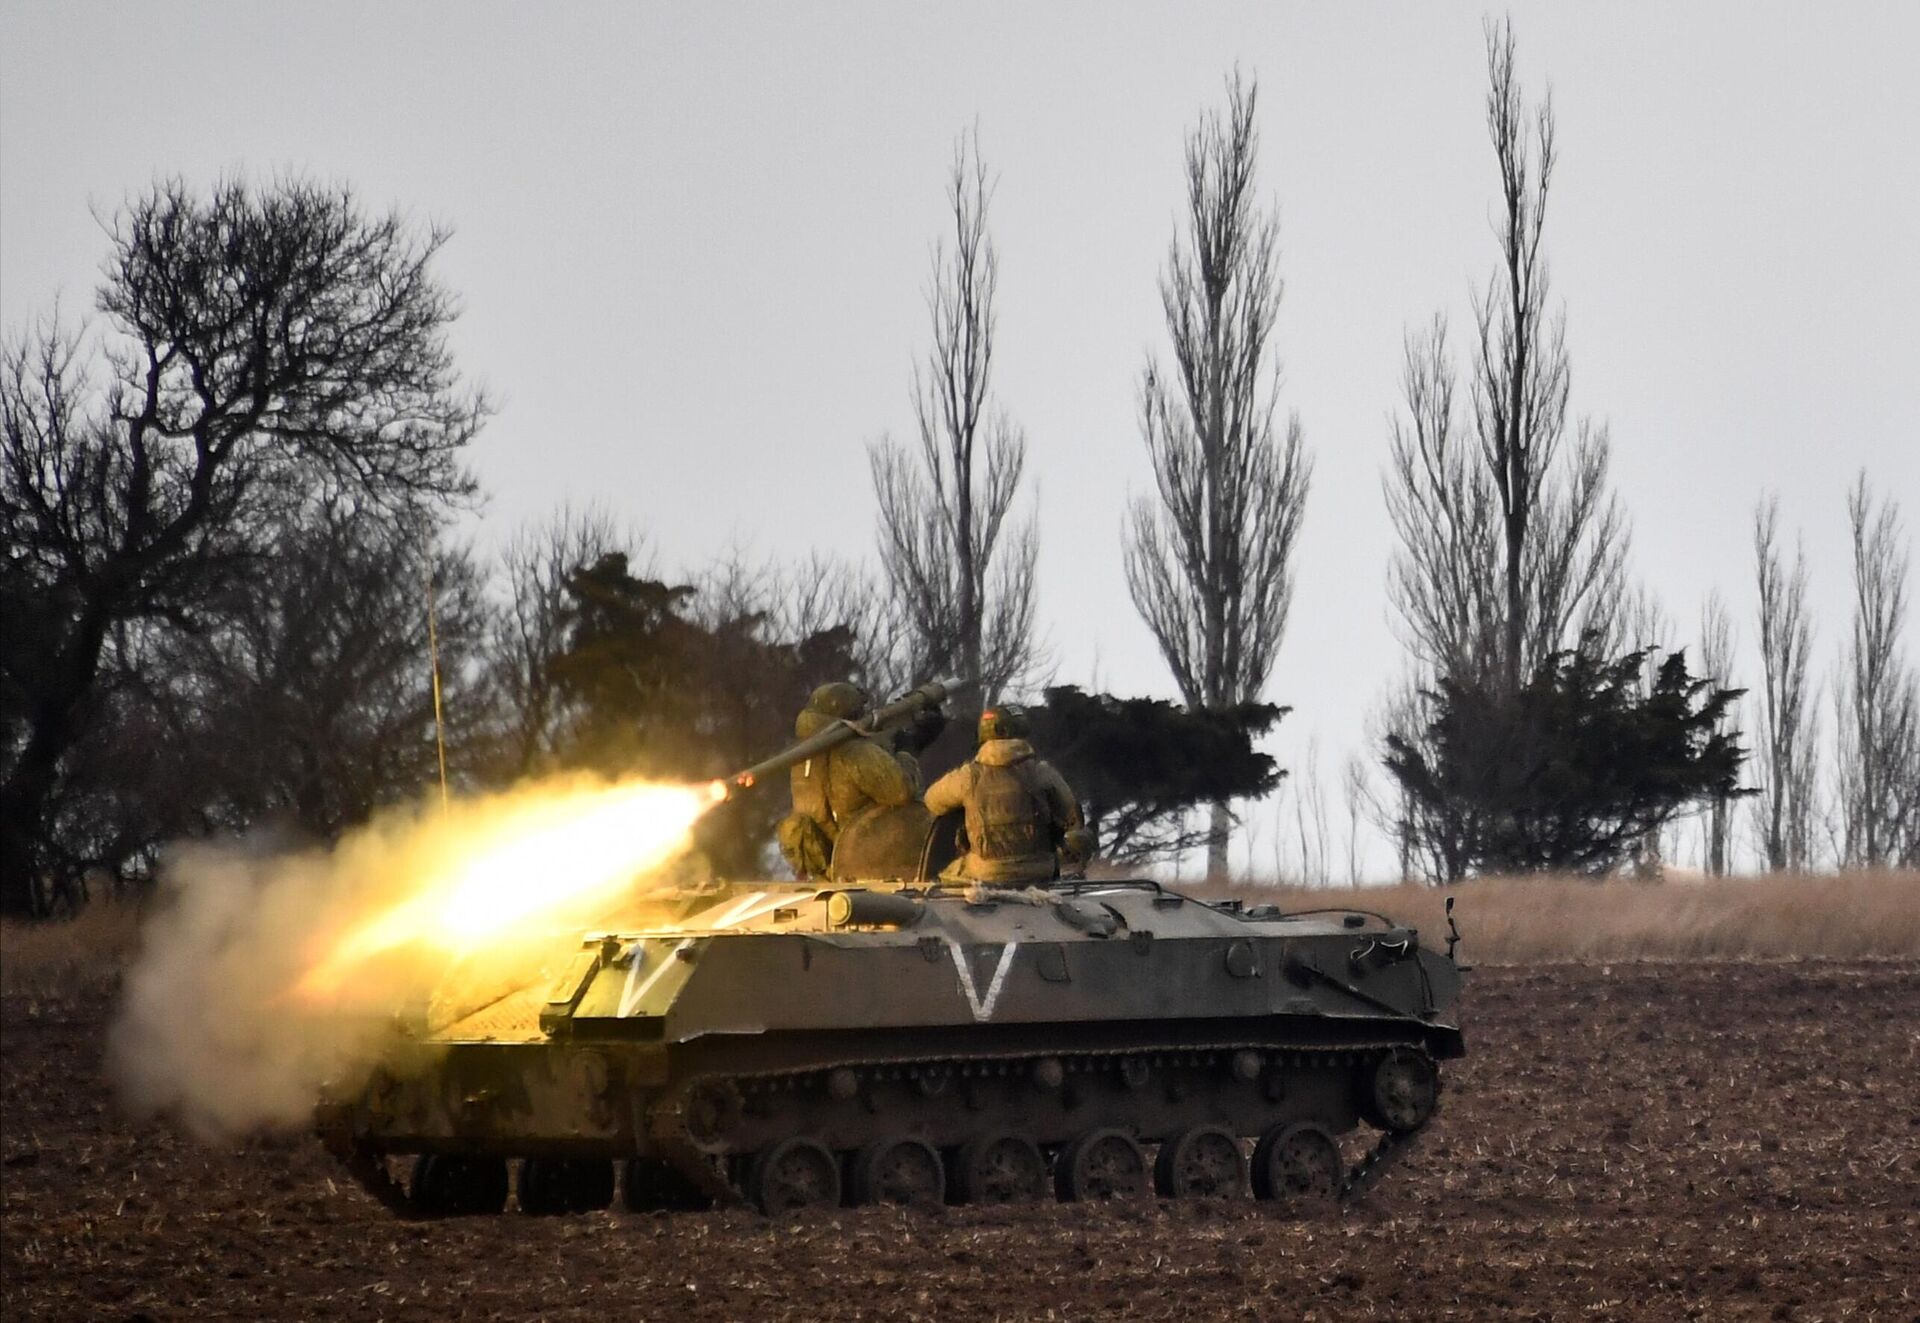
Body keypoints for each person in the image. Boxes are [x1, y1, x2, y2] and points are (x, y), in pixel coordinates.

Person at [923, 704, 1092, 884]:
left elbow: (932, 801)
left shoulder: (968, 776)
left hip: (986, 872)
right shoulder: (1042, 773)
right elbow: (1073, 818)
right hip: (1040, 872)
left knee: (942, 878)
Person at [775, 682, 919, 879]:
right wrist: (906, 751)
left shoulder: (803, 756)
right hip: (864, 869)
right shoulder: (854, 752)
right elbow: (902, 791)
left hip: (824, 873)